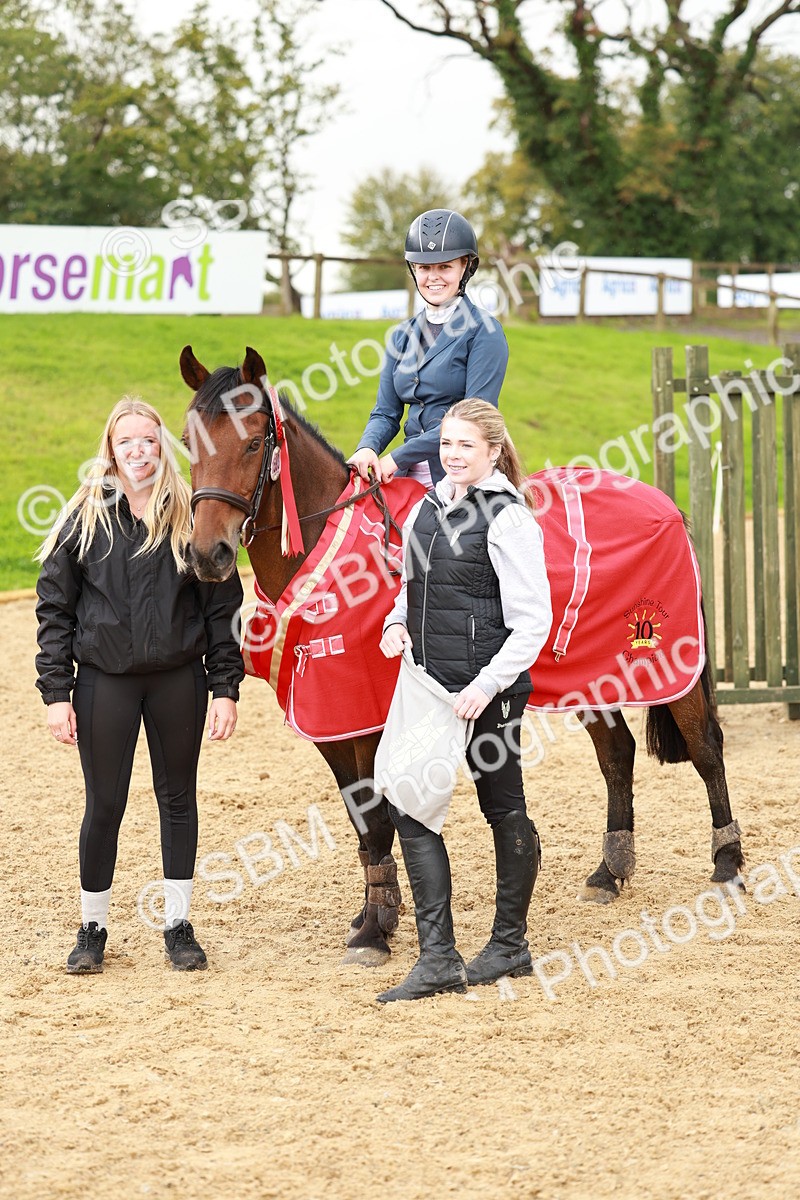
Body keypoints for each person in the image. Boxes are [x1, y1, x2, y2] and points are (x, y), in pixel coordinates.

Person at [35, 398, 244, 975]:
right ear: (111, 449)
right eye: (126, 441)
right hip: (105, 682)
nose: (137, 451)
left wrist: (224, 685)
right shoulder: (83, 517)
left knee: (178, 800)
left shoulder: (191, 515)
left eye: (148, 440)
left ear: (162, 447)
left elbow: (223, 607)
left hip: (178, 679)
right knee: (105, 804)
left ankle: (178, 926)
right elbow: (55, 610)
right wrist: (56, 694)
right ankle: (92, 928)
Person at [375, 399, 552, 1003]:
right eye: (447, 445)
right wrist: (396, 625)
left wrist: (486, 685)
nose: (452, 456)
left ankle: (509, 945)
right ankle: (439, 959)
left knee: (501, 806)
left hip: (488, 693)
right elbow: (411, 588)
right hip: (430, 685)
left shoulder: (508, 519)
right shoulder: (424, 509)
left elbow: (534, 621)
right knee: (407, 798)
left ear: (494, 452)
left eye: (465, 447)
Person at [347, 209, 509, 489]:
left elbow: (473, 420)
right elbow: (386, 412)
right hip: (405, 475)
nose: (433, 277)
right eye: (424, 267)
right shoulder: (401, 336)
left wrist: (396, 457)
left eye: (444, 267)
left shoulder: (485, 331)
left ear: (465, 267)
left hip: (462, 475)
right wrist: (368, 448)